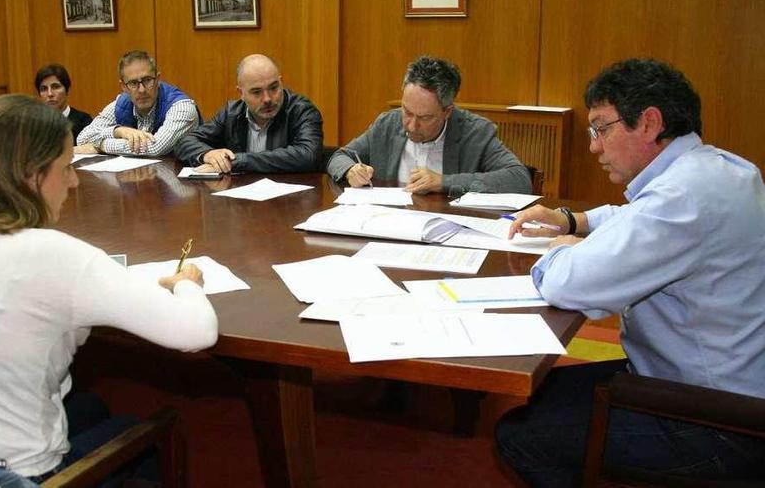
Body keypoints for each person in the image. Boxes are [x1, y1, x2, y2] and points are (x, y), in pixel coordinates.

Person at [0, 94, 218, 483]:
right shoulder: (52, 255)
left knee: (90, 408)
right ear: (33, 175)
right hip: (20, 476)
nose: (74, 181)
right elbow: (198, 331)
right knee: (143, 435)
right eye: (66, 167)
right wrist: (187, 285)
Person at [497, 58, 765, 486]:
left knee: (521, 436)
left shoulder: (684, 196)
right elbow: (638, 218)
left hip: (716, 421)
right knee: (537, 391)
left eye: (601, 129)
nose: (594, 147)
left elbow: (572, 283)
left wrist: (557, 250)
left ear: (649, 122)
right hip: (726, 385)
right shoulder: (721, 169)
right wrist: (575, 222)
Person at [326, 56, 531, 194]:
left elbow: (519, 179)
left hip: (449, 233)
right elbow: (339, 156)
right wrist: (350, 170)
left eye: (424, 118)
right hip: (388, 228)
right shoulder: (386, 124)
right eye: (407, 112)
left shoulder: (475, 133)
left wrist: (443, 182)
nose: (412, 125)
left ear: (447, 111)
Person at [176, 54, 323, 173]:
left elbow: (308, 156)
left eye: (273, 88)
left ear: (281, 82)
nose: (267, 99)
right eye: (256, 92)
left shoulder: (301, 110)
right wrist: (207, 154)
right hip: (241, 200)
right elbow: (185, 142)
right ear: (241, 93)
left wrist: (238, 161)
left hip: (290, 201)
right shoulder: (231, 113)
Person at [76, 50, 201, 157]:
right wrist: (117, 131)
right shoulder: (121, 103)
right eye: (133, 83)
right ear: (124, 86)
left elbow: (154, 148)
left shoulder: (182, 107)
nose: (141, 90)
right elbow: (82, 138)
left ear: (157, 79)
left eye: (147, 80)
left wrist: (100, 146)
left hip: (181, 181)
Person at [35, 63, 93, 144]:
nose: (50, 94)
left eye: (55, 87)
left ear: (67, 90)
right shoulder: (33, 124)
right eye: (43, 89)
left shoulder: (84, 121)